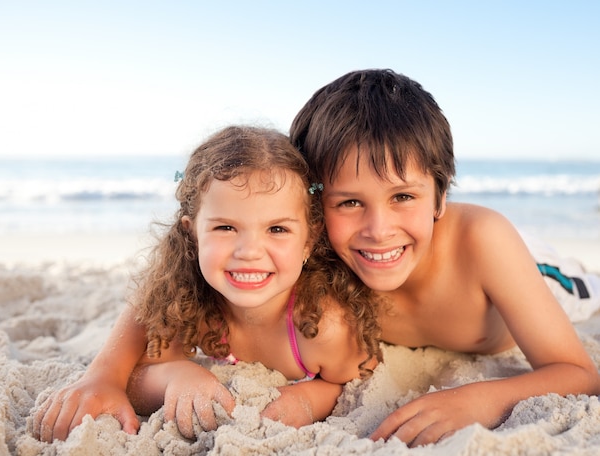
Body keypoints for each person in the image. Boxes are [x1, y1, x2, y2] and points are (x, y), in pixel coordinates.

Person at [289, 68, 600, 447]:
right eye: (350, 202)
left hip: (540, 272)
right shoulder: (314, 265)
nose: (378, 229)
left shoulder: (483, 240)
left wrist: (476, 399)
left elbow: (579, 374)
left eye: (403, 197)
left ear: (439, 197)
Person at [31, 125, 380, 443]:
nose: (249, 252)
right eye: (226, 227)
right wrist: (177, 376)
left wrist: (310, 399)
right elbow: (138, 372)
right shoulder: (191, 304)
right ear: (192, 234)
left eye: (277, 229)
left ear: (309, 240)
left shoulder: (322, 326)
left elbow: (349, 383)